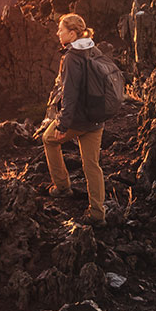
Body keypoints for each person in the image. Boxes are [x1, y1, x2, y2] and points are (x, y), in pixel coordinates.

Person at [42, 12, 106, 225]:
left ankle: (62, 187)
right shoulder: (94, 50)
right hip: (96, 119)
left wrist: (62, 124)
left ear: (72, 33)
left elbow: (69, 95)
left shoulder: (71, 58)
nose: (57, 33)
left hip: (77, 120)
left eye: (61, 29)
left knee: (49, 139)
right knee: (92, 165)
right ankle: (98, 214)